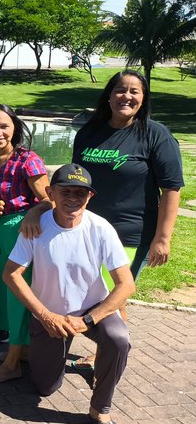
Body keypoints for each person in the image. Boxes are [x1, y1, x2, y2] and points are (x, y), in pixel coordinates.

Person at [3, 163, 134, 424]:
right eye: (66, 192)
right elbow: (10, 274)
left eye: (80, 193)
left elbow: (126, 284)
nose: (73, 199)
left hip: (91, 309)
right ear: (51, 192)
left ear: (90, 196)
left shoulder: (101, 228)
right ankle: (48, 353)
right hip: (50, 314)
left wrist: (87, 320)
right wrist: (44, 315)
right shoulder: (35, 226)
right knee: (45, 387)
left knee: (118, 338)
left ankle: (100, 406)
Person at [70, 70, 183, 370]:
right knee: (100, 293)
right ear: (108, 95)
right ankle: (112, 348)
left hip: (131, 233)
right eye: (120, 90)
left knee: (112, 292)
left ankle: (109, 353)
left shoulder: (155, 134)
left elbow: (171, 188)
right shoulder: (89, 132)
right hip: (87, 228)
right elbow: (75, 180)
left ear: (143, 98)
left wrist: (163, 238)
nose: (127, 96)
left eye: (134, 91)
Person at [0, 104, 51, 383]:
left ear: (14, 128)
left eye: (4, 126)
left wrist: (32, 211)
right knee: (0, 295)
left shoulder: (27, 160)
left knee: (17, 296)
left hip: (21, 235)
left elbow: (50, 200)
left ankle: (12, 364)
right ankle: (19, 351)